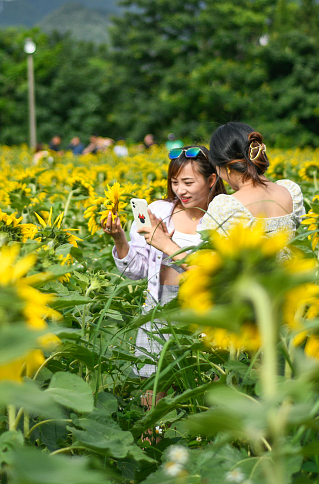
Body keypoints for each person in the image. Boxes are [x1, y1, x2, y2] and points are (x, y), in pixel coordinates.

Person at [101, 145, 225, 378]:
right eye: (175, 182)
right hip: (159, 302)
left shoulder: (222, 216)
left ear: (211, 180)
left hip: (203, 306)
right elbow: (136, 271)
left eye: (188, 183)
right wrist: (119, 239)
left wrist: (168, 245)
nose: (180, 190)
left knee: (204, 378)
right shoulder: (158, 210)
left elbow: (216, 272)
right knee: (154, 382)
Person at [197, 122, 304, 240]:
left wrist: (173, 248)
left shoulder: (226, 207)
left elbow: (208, 251)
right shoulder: (290, 192)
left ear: (226, 167)